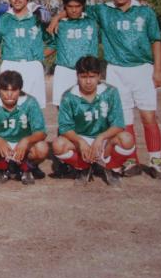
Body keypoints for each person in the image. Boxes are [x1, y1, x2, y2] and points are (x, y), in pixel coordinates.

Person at [71, 0, 161, 179]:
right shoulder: (104, 11)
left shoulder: (146, 12)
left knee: (148, 116)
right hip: (116, 71)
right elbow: (74, 7)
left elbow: (156, 40)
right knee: (124, 120)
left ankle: (156, 162)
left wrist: (158, 69)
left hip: (142, 69)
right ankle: (131, 161)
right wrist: (59, 16)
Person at [52, 56, 134, 187]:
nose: (88, 81)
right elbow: (64, 128)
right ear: (77, 76)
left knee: (127, 139)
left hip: (104, 140)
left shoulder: (110, 92)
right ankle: (83, 168)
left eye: (92, 76)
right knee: (58, 145)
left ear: (99, 76)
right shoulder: (68, 96)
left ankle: (110, 167)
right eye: (83, 77)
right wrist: (80, 142)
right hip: (81, 139)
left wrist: (101, 137)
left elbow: (118, 124)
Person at [0, 70, 49, 185]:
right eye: (5, 90)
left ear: (19, 90)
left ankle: (26, 168)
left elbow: (41, 132)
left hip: (23, 145)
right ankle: (2, 168)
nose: (9, 94)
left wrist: (26, 140)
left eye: (14, 90)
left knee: (42, 148)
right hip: (1, 146)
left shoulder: (30, 102)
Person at [0, 0, 53, 108]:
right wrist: (7, 56)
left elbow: (53, 43)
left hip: (33, 67)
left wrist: (38, 57)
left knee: (34, 110)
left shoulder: (38, 17)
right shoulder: (3, 19)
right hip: (9, 67)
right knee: (9, 110)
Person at [49, 0, 99, 107]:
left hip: (87, 71)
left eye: (77, 6)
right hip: (64, 70)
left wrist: (57, 16)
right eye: (70, 7)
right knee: (63, 110)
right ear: (64, 6)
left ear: (83, 6)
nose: (74, 10)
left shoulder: (93, 20)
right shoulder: (60, 24)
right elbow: (51, 46)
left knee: (88, 111)